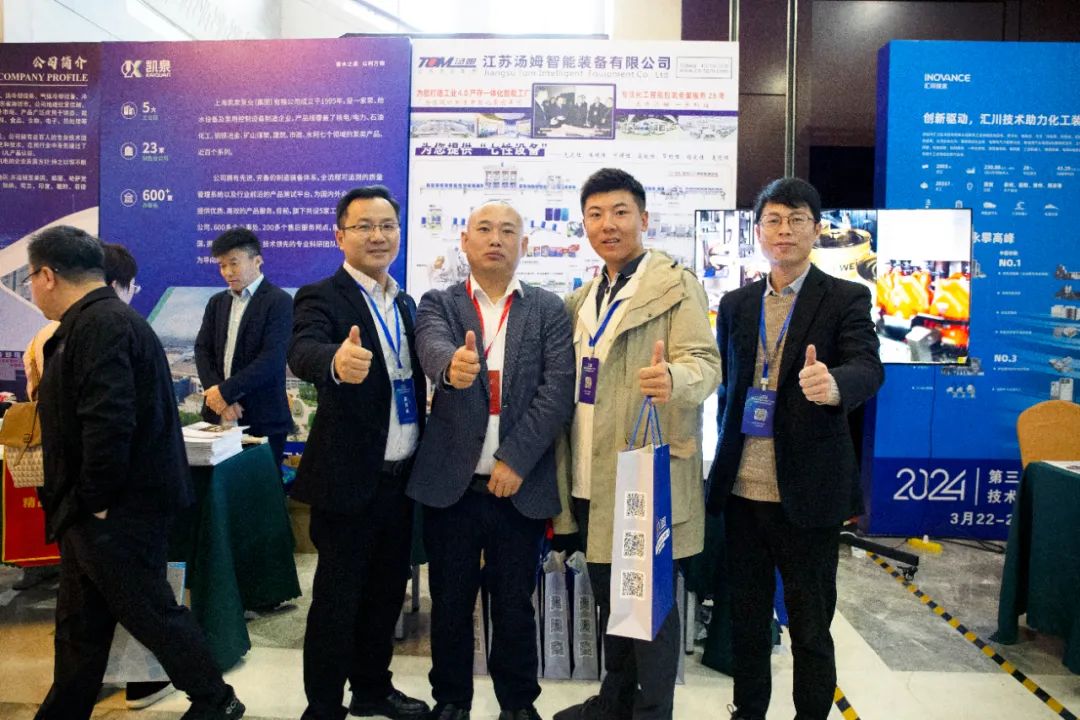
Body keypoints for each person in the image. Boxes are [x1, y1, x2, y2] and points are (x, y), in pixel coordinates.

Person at [25, 226, 243, 720]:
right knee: (81, 625)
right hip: (95, 509)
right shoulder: (94, 321)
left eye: (32, 279)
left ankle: (216, 700)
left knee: (149, 611)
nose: (33, 289)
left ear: (47, 275)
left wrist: (97, 502)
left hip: (114, 511)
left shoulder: (101, 325)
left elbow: (109, 422)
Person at [706, 178, 884, 720]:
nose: (785, 230)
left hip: (808, 493)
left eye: (797, 219)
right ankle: (748, 711)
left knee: (810, 626)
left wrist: (834, 386)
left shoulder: (845, 297)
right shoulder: (736, 304)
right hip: (742, 492)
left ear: (816, 228)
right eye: (774, 220)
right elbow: (730, 391)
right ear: (758, 231)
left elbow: (868, 366)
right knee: (746, 622)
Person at [552, 168, 721, 720]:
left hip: (644, 477)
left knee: (649, 610)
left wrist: (674, 378)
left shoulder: (675, 287)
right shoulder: (582, 299)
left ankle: (651, 712)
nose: (608, 224)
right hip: (592, 474)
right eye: (596, 214)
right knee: (613, 597)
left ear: (644, 219)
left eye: (620, 212)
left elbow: (706, 363)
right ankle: (615, 702)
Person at [408, 201, 575, 720]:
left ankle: (518, 704)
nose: (495, 239)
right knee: (449, 604)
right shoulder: (439, 302)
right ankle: (451, 701)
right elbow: (431, 346)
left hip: (519, 488)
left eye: (507, 231)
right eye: (484, 229)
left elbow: (557, 392)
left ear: (524, 245)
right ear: (465, 241)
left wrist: (515, 460)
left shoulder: (547, 308)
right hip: (451, 488)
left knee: (514, 606)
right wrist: (451, 366)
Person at [288, 186, 430, 720]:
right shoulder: (321, 296)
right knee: (337, 600)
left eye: (387, 225)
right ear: (339, 235)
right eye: (364, 226)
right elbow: (302, 349)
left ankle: (372, 688)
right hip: (349, 480)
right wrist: (334, 360)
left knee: (386, 594)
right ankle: (324, 706)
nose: (378, 235)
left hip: (402, 480)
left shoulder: (406, 303)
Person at [194, 227, 293, 469]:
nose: (227, 272)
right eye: (222, 265)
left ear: (257, 261)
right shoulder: (217, 303)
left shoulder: (279, 301)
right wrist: (219, 397)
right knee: (219, 486)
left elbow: (272, 358)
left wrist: (226, 393)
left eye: (234, 263)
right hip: (218, 416)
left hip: (263, 418)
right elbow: (202, 350)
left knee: (259, 486)